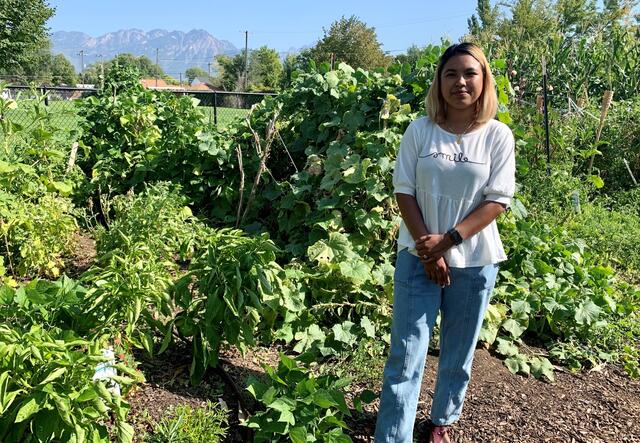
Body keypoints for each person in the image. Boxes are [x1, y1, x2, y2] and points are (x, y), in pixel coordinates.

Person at [374, 42, 516, 443]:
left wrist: (447, 242)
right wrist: (427, 248)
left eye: (470, 73)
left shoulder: (497, 136)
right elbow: (404, 191)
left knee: (458, 351)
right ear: (439, 82)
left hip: (474, 260)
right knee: (405, 353)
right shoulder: (420, 130)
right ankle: (392, 436)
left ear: (484, 80)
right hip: (416, 256)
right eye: (450, 74)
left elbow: (497, 199)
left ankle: (441, 422)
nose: (460, 82)